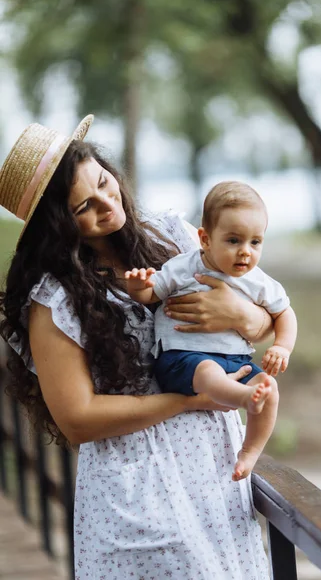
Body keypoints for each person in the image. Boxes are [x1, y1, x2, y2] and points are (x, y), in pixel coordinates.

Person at [0, 115, 276, 579]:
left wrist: (242, 317)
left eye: (105, 183)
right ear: (57, 226)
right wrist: (188, 400)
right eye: (82, 207)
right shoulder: (55, 300)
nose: (107, 204)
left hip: (214, 470)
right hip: (136, 486)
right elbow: (77, 418)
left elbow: (263, 308)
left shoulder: (172, 235)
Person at [125, 181, 297, 482]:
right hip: (183, 358)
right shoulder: (184, 267)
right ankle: (243, 398)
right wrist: (140, 287)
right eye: (233, 240)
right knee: (208, 372)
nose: (245, 252)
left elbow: (284, 313)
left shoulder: (258, 281)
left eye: (255, 242)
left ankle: (250, 451)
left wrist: (282, 346)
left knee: (270, 389)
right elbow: (152, 293)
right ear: (204, 239)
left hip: (236, 358)